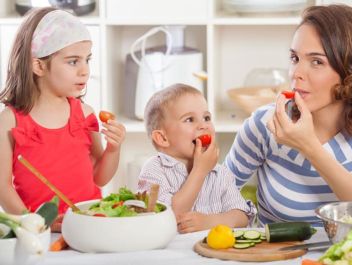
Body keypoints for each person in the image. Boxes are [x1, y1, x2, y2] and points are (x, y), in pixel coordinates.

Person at [225, 4, 352, 226]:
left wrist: (310, 148)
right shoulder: (265, 124)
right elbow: (215, 198)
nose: (296, 73)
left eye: (317, 62)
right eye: (295, 58)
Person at [0, 7, 126, 230]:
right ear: (39, 65)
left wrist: (114, 150)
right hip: (40, 233)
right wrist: (35, 224)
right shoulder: (10, 121)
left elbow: (100, 178)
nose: (85, 71)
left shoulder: (85, 114)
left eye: (87, 59)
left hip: (87, 225)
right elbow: (3, 188)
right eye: (73, 61)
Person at [138, 83, 256, 233]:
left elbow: (242, 216)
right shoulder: (154, 170)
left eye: (206, 118)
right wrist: (199, 171)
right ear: (162, 138)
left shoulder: (219, 173)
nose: (203, 125)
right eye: (189, 119)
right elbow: (168, 217)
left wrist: (209, 221)